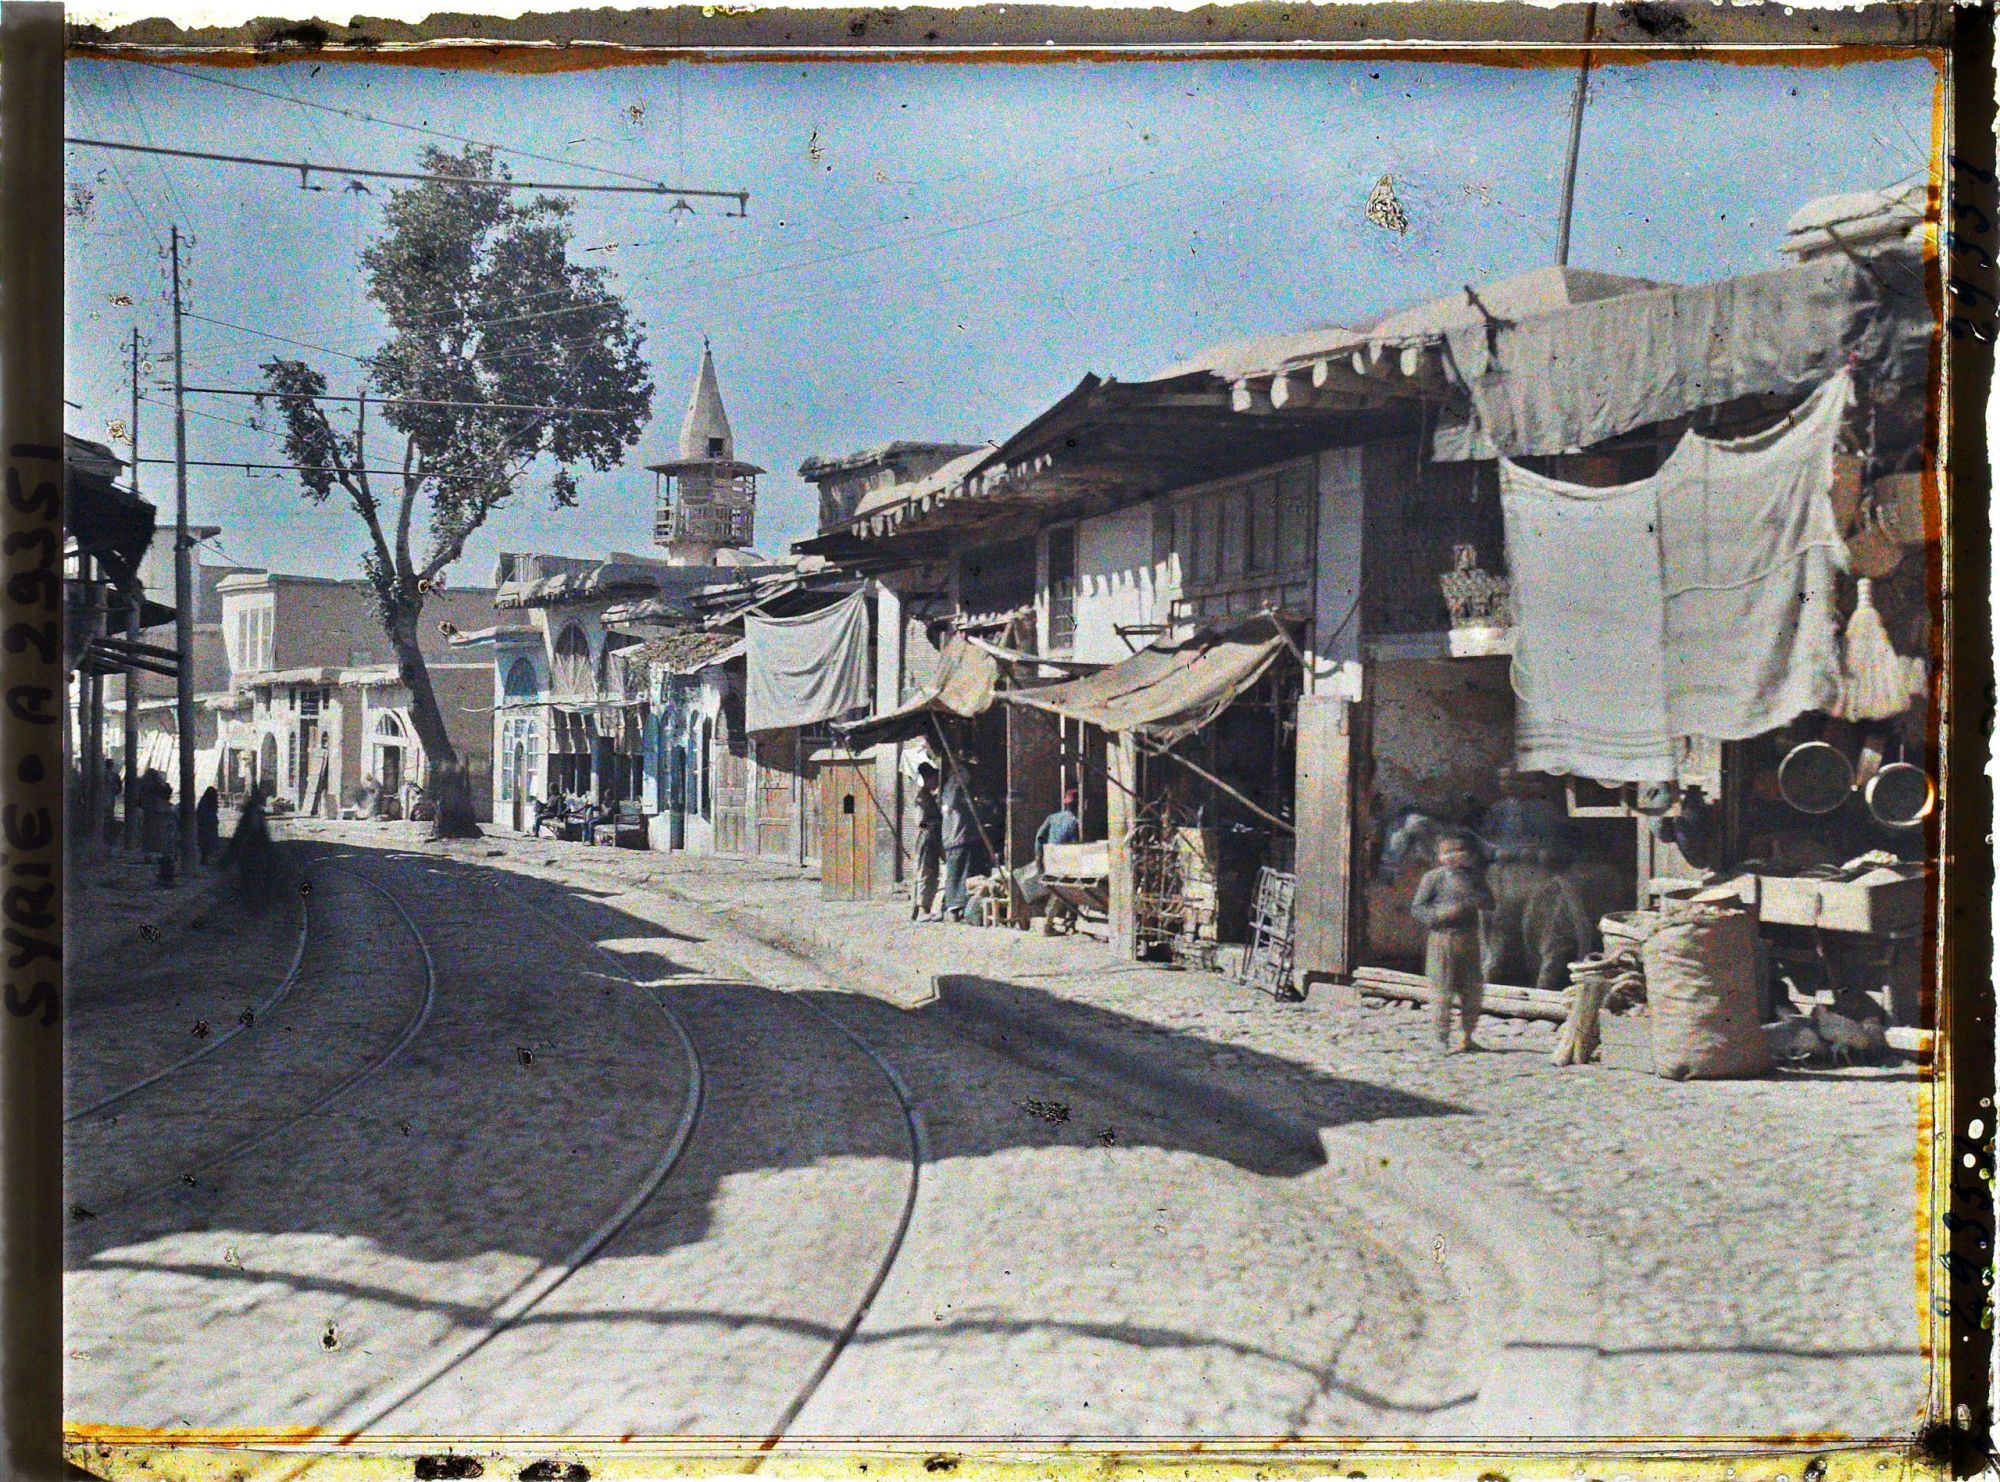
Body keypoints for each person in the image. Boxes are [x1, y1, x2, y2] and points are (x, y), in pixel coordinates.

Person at [1409, 832, 1495, 1054]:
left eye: (1460, 851)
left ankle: (1467, 1036)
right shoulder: (1433, 878)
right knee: (1441, 990)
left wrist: (1477, 899)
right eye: (1448, 852)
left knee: (1473, 989)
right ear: (1439, 856)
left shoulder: (1474, 878)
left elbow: (1490, 902)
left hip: (1469, 940)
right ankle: (1441, 1038)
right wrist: (1441, 915)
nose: (1455, 856)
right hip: (1443, 939)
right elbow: (1418, 908)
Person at [939, 759, 979, 922]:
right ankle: (953, 905)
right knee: (957, 872)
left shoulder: (951, 787)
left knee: (959, 872)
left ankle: (957, 906)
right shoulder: (954, 787)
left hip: (956, 836)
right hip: (957, 836)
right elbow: (955, 805)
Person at [910, 763, 943, 921]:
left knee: (932, 873)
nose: (937, 782)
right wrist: (935, 824)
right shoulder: (922, 799)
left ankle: (925, 907)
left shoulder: (929, 796)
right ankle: (922, 909)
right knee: (925, 873)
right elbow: (920, 823)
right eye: (935, 779)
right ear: (928, 779)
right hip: (925, 840)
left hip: (932, 840)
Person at [195, 786, 221, 865]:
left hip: (207, 826)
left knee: (206, 844)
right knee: (207, 843)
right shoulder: (206, 803)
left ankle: (205, 859)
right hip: (206, 826)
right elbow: (205, 815)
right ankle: (206, 859)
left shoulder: (204, 802)